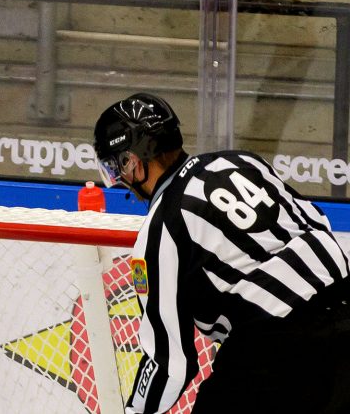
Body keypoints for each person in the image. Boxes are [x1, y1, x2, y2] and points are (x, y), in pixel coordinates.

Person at [93, 92, 350, 414]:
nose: (122, 182)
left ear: (132, 162)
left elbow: (170, 363)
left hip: (276, 352)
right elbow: (317, 224)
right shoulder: (244, 161)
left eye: (117, 167)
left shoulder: (162, 228)